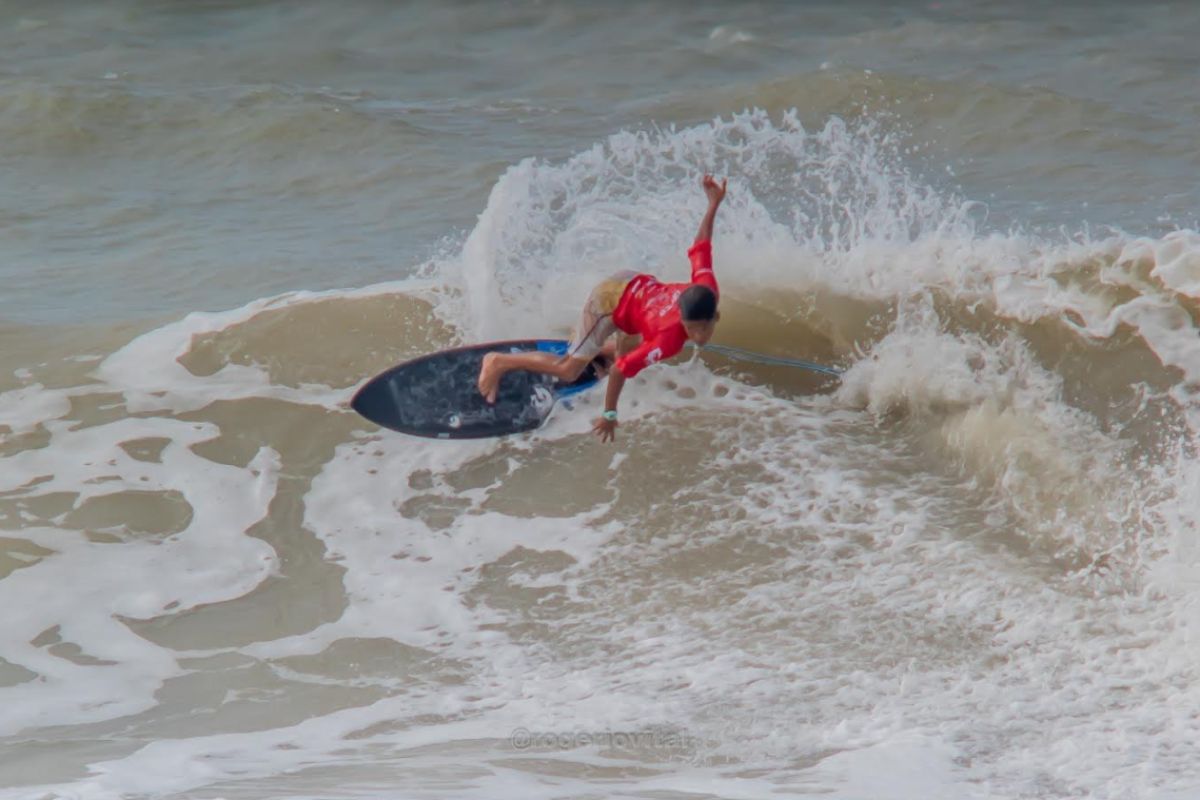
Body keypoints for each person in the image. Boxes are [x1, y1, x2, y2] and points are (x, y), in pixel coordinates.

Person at [477, 173, 726, 442]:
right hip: (610, 301)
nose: (697, 336)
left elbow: (701, 246)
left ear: (716, 316)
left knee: (628, 349)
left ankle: (599, 352)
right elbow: (621, 372)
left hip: (637, 292)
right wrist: (609, 414)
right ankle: (499, 361)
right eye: (691, 329)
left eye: (701, 329)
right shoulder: (668, 340)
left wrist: (712, 204)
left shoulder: (706, 288)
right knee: (569, 370)